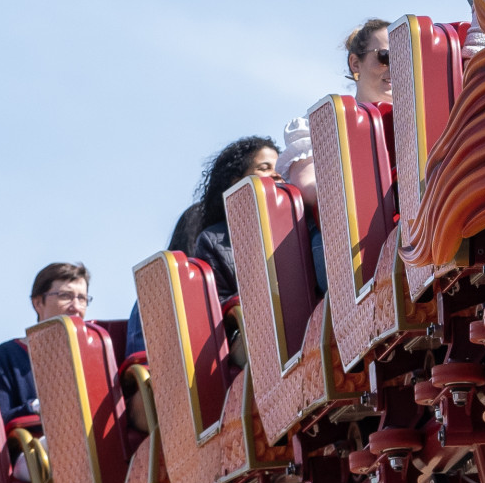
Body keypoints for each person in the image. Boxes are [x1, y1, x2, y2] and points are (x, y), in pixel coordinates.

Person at [122, 135, 279, 364]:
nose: (277, 174)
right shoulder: (212, 243)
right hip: (236, 340)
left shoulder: (291, 222)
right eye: (265, 168)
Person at [278, 19, 393, 211]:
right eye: (385, 56)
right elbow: (309, 185)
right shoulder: (324, 123)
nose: (395, 66)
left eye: (404, 57)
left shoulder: (425, 119)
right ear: (355, 64)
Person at [0, 261, 89, 422]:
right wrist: (36, 407)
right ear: (38, 303)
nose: (76, 307)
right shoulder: (9, 354)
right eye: (65, 296)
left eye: (82, 298)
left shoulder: (94, 353)